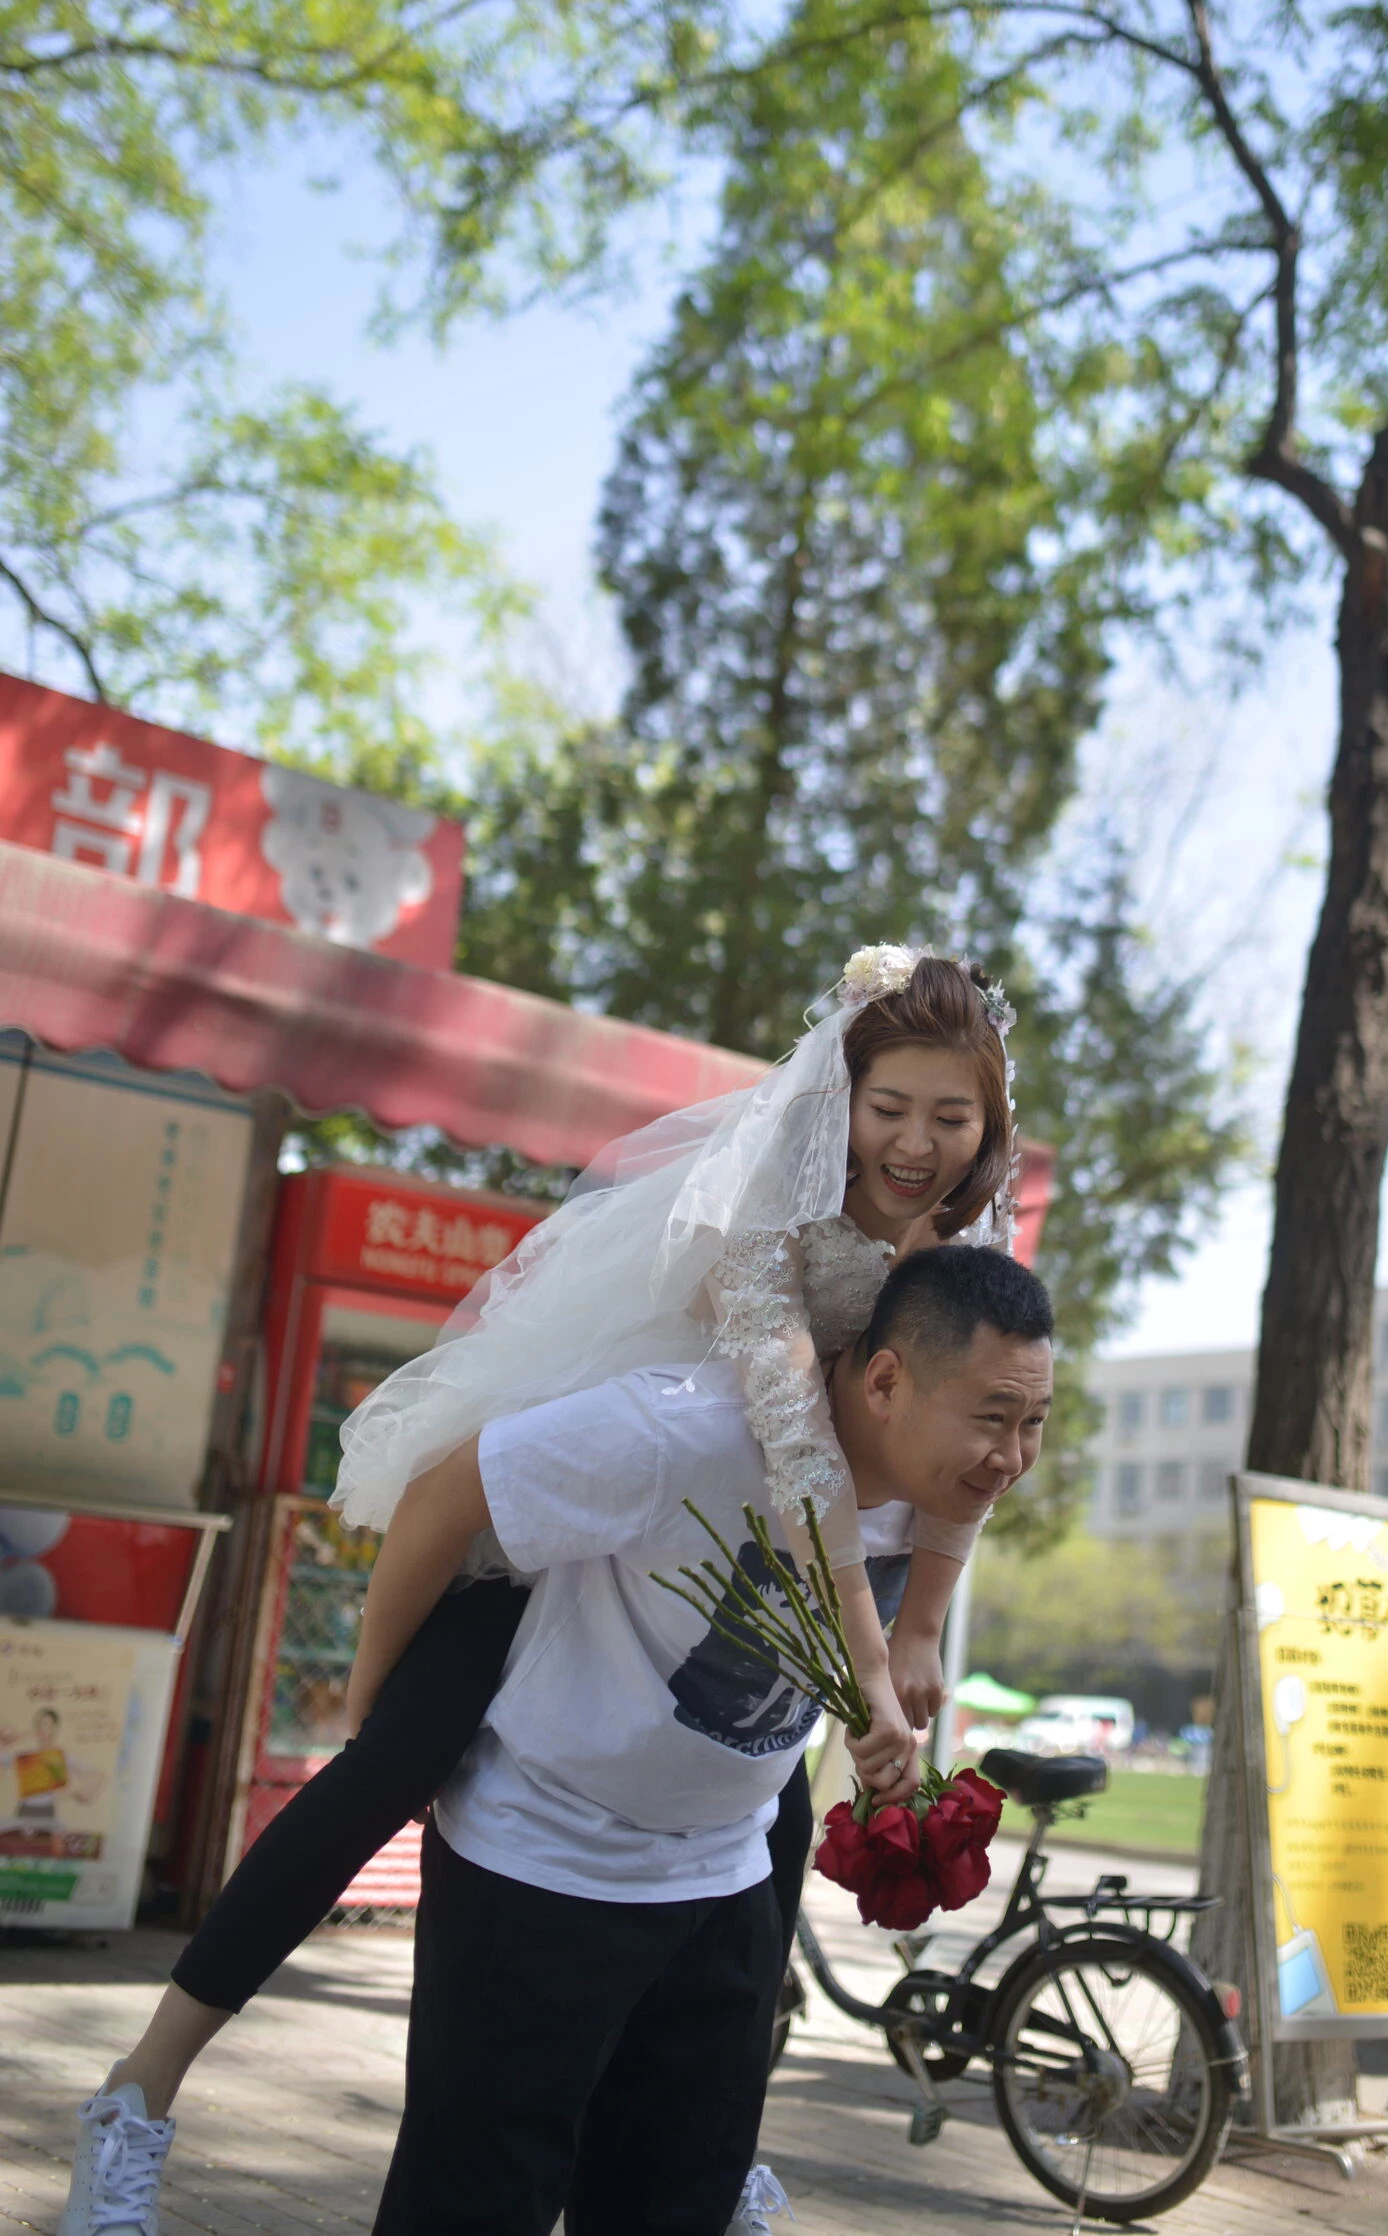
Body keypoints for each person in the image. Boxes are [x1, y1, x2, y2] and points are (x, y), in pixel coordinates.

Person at [58, 948, 1021, 2236]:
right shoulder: (766, 1209)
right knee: (385, 1767)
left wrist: (914, 1633)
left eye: (949, 1116)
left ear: (987, 1121)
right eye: (888, 1105)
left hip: (745, 1565)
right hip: (596, 1513)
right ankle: (141, 2092)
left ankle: (716, 2134)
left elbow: (971, 1450)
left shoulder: (967, 1239)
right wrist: (366, 1688)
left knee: (762, 1822)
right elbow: (797, 1447)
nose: (915, 1142)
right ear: (839, 1098)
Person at [374, 1241, 1054, 2234]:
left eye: (1033, 1423)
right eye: (993, 1419)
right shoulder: (684, 1430)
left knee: (674, 2206)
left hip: (722, 1887)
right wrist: (375, 1721)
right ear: (883, 1381)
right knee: (478, 2201)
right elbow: (446, 1489)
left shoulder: (944, 1492)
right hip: (541, 1868)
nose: (1012, 1459)